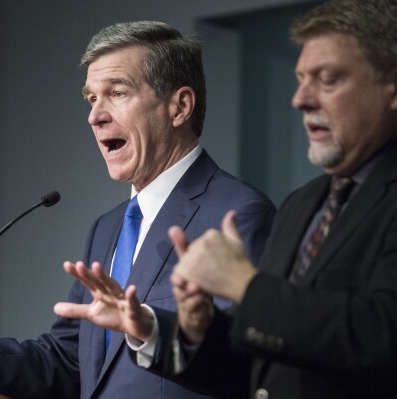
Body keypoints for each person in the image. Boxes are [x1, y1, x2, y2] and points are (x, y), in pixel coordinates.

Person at [0, 21, 275, 399]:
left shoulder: (236, 215)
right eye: (90, 98)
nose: (95, 116)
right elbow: (66, 364)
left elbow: (246, 367)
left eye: (116, 93)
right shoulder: (107, 230)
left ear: (179, 106)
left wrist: (152, 327)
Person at [55, 2, 397, 398]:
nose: (300, 99)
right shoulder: (304, 205)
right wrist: (163, 330)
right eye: (301, 79)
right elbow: (259, 370)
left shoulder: (247, 210)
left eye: (328, 79)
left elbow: (382, 335)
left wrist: (248, 290)